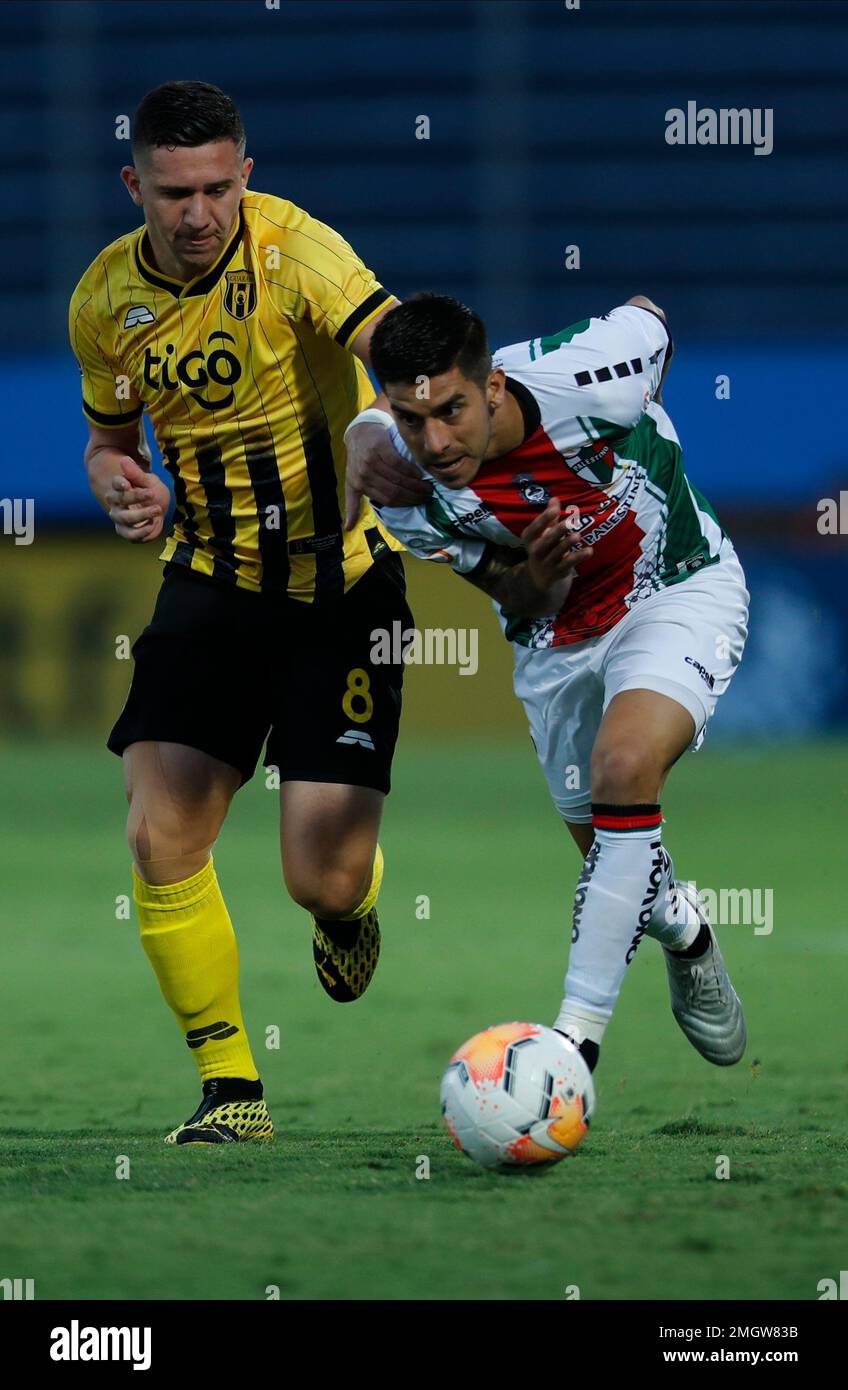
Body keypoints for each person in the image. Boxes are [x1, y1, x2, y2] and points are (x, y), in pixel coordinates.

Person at [68, 80, 415, 1145]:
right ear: (134, 185)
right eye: (175, 193)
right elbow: (110, 441)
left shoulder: (296, 252)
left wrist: (382, 425)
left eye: (218, 188)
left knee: (321, 874)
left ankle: (351, 904)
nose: (199, 213)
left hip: (341, 587)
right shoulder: (103, 301)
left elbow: (395, 349)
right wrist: (118, 481)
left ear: (245, 175)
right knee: (160, 830)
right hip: (210, 582)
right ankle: (232, 1090)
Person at [347, 292, 749, 1077]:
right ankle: (685, 929)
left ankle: (572, 1047)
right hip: (555, 644)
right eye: (410, 420)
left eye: (452, 411)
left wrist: (644, 418)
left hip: (676, 588)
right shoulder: (403, 490)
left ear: (492, 386)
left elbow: (651, 314)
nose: (435, 442)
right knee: (616, 857)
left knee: (624, 769)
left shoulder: (594, 377)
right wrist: (538, 577)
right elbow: (512, 593)